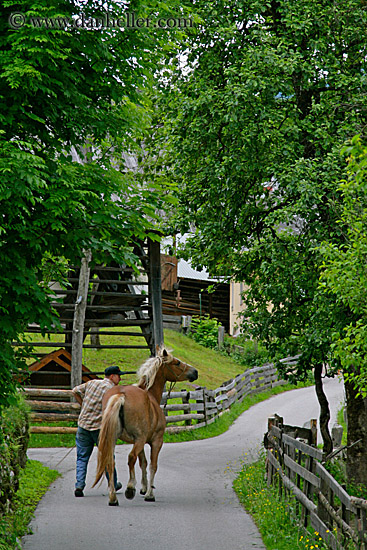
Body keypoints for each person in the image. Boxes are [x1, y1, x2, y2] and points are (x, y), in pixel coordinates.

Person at [72, 365, 123, 497]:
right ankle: (114, 483)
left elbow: (75, 391)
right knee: (107, 456)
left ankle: (79, 485)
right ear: (112, 376)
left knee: (82, 457)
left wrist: (83, 404)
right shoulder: (112, 390)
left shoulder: (91, 383)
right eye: (119, 375)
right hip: (100, 428)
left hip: (83, 425)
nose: (120, 378)